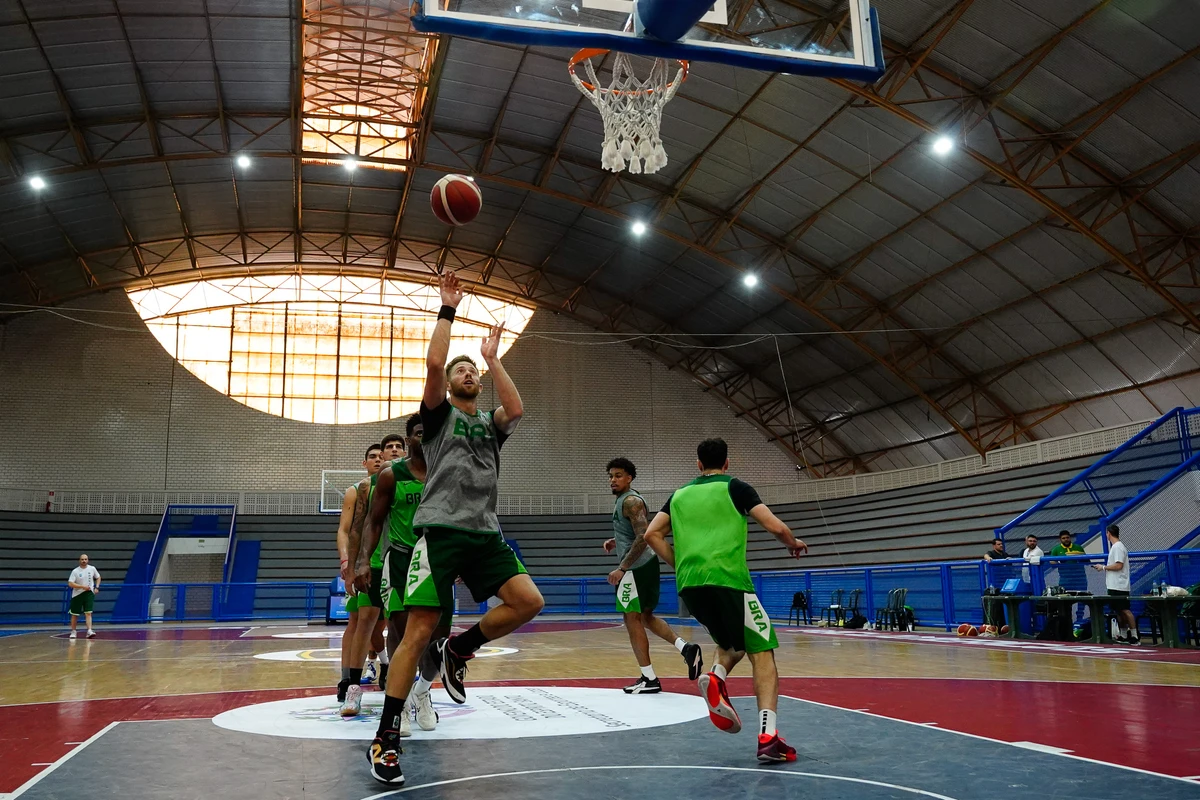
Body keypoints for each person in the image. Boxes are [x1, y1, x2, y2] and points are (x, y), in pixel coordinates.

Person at [366, 272, 545, 785]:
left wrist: (493, 357)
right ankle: (386, 738)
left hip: (484, 534)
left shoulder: (490, 424)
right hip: (440, 534)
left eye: (471, 370)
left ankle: (460, 650)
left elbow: (517, 409)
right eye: (459, 369)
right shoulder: (439, 419)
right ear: (448, 385)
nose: (465, 373)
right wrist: (447, 310)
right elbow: (432, 363)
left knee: (528, 602)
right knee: (414, 632)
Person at [643, 438, 808, 764]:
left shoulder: (678, 495)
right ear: (727, 463)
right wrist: (792, 542)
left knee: (733, 643)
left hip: (691, 585)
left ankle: (716, 675)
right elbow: (773, 524)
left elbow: (651, 534)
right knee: (763, 652)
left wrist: (679, 564)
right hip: (729, 581)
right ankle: (768, 737)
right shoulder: (736, 487)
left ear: (698, 464)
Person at [359, 413, 451, 737]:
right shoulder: (391, 475)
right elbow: (373, 520)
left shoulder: (446, 473)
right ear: (409, 437)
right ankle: (400, 706)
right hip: (399, 558)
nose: (423, 438)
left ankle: (423, 691)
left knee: (438, 640)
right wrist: (362, 561)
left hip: (437, 560)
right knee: (400, 635)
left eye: (430, 433)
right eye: (418, 433)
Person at [603, 457, 702, 693]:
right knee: (645, 617)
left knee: (631, 619)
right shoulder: (625, 501)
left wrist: (622, 568)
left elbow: (643, 535)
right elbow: (633, 534)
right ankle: (685, 648)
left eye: (618, 476)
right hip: (642, 565)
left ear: (629, 478)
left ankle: (648, 679)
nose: (613, 480)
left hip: (637, 568)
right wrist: (615, 542)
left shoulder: (631, 501)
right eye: (610, 476)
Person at [335, 442, 384, 715]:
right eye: (373, 457)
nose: (378, 460)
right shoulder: (357, 491)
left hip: (395, 557)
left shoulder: (401, 482)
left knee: (384, 624)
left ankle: (383, 663)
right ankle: (348, 680)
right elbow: (346, 530)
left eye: (382, 455)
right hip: (366, 561)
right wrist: (347, 563)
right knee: (359, 620)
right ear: (364, 463)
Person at [359, 432, 406, 690]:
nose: (394, 451)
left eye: (400, 446)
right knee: (367, 624)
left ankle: (403, 677)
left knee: (399, 623)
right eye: (389, 448)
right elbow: (360, 527)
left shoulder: (415, 479)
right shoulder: (366, 488)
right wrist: (353, 562)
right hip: (374, 562)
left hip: (404, 559)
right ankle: (379, 662)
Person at [1093, 524, 1139, 645]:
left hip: (1120, 585)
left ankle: (1134, 635)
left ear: (1108, 533)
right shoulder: (1115, 547)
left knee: (1125, 610)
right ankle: (1123, 634)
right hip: (1113, 585)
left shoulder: (1118, 547)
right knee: (1118, 611)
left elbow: (1119, 565)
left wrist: (1103, 567)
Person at [67, 554, 101, 639]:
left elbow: (98, 577)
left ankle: (89, 630)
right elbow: (70, 583)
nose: (84, 561)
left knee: (88, 613)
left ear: (88, 560)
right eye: (82, 559)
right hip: (77, 594)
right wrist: (82, 587)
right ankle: (73, 631)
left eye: (85, 559)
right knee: (74, 614)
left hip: (89, 593)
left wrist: (97, 587)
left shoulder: (92, 568)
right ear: (79, 560)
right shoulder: (75, 571)